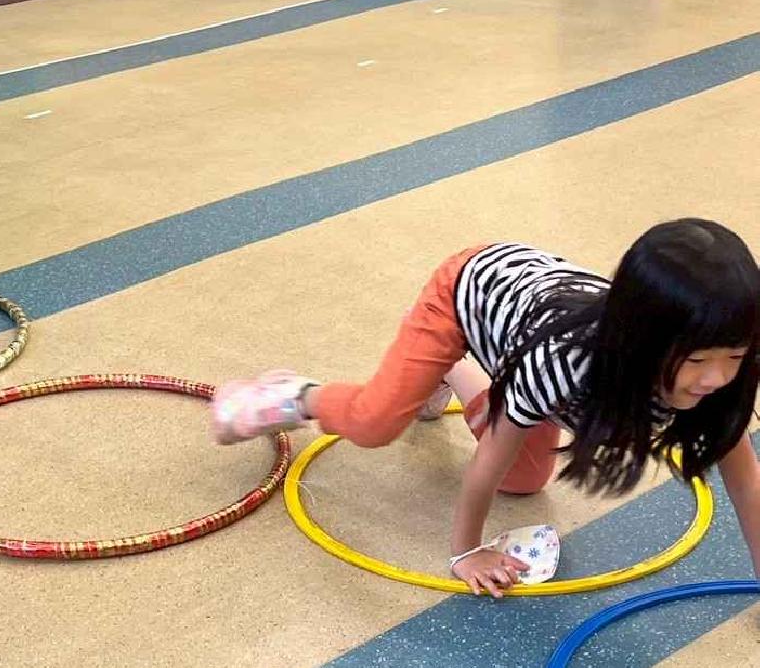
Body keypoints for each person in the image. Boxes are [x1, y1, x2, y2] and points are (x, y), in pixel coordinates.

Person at [212, 222, 760, 595]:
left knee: (526, 481)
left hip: (525, 333)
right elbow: (487, 460)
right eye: (697, 360)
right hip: (467, 291)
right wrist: (466, 552)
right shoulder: (565, 364)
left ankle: (448, 369)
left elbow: (749, 485)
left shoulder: (718, 380)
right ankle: (290, 394)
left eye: (735, 355)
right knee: (376, 423)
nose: (717, 377)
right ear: (638, 340)